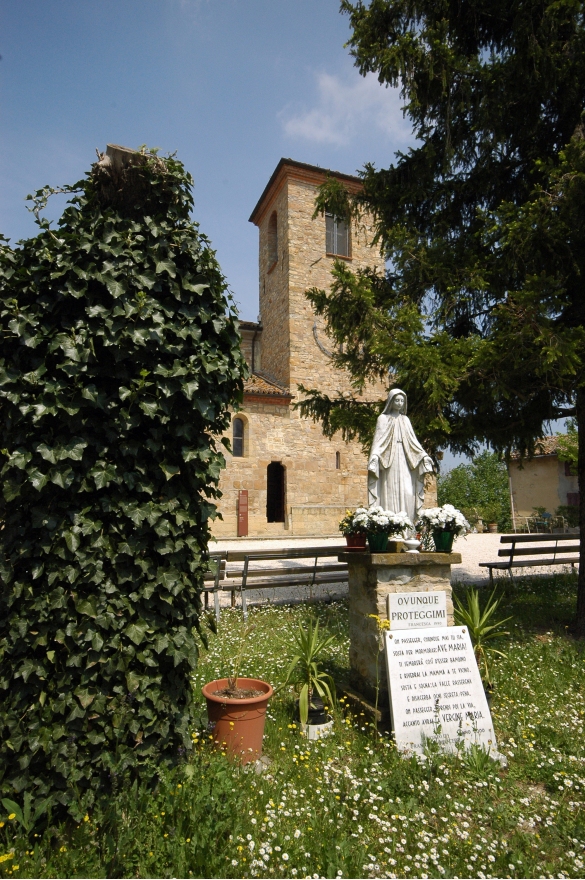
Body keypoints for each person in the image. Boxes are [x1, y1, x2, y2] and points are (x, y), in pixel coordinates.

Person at [367, 389, 434, 523]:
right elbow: (378, 441)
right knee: (390, 489)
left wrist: (424, 456)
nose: (399, 403)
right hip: (388, 460)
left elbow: (413, 442)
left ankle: (407, 524)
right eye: (397, 400)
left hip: (405, 458)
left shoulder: (405, 420)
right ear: (391, 402)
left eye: (402, 401)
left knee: (407, 490)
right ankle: (390, 524)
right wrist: (374, 456)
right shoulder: (383, 419)